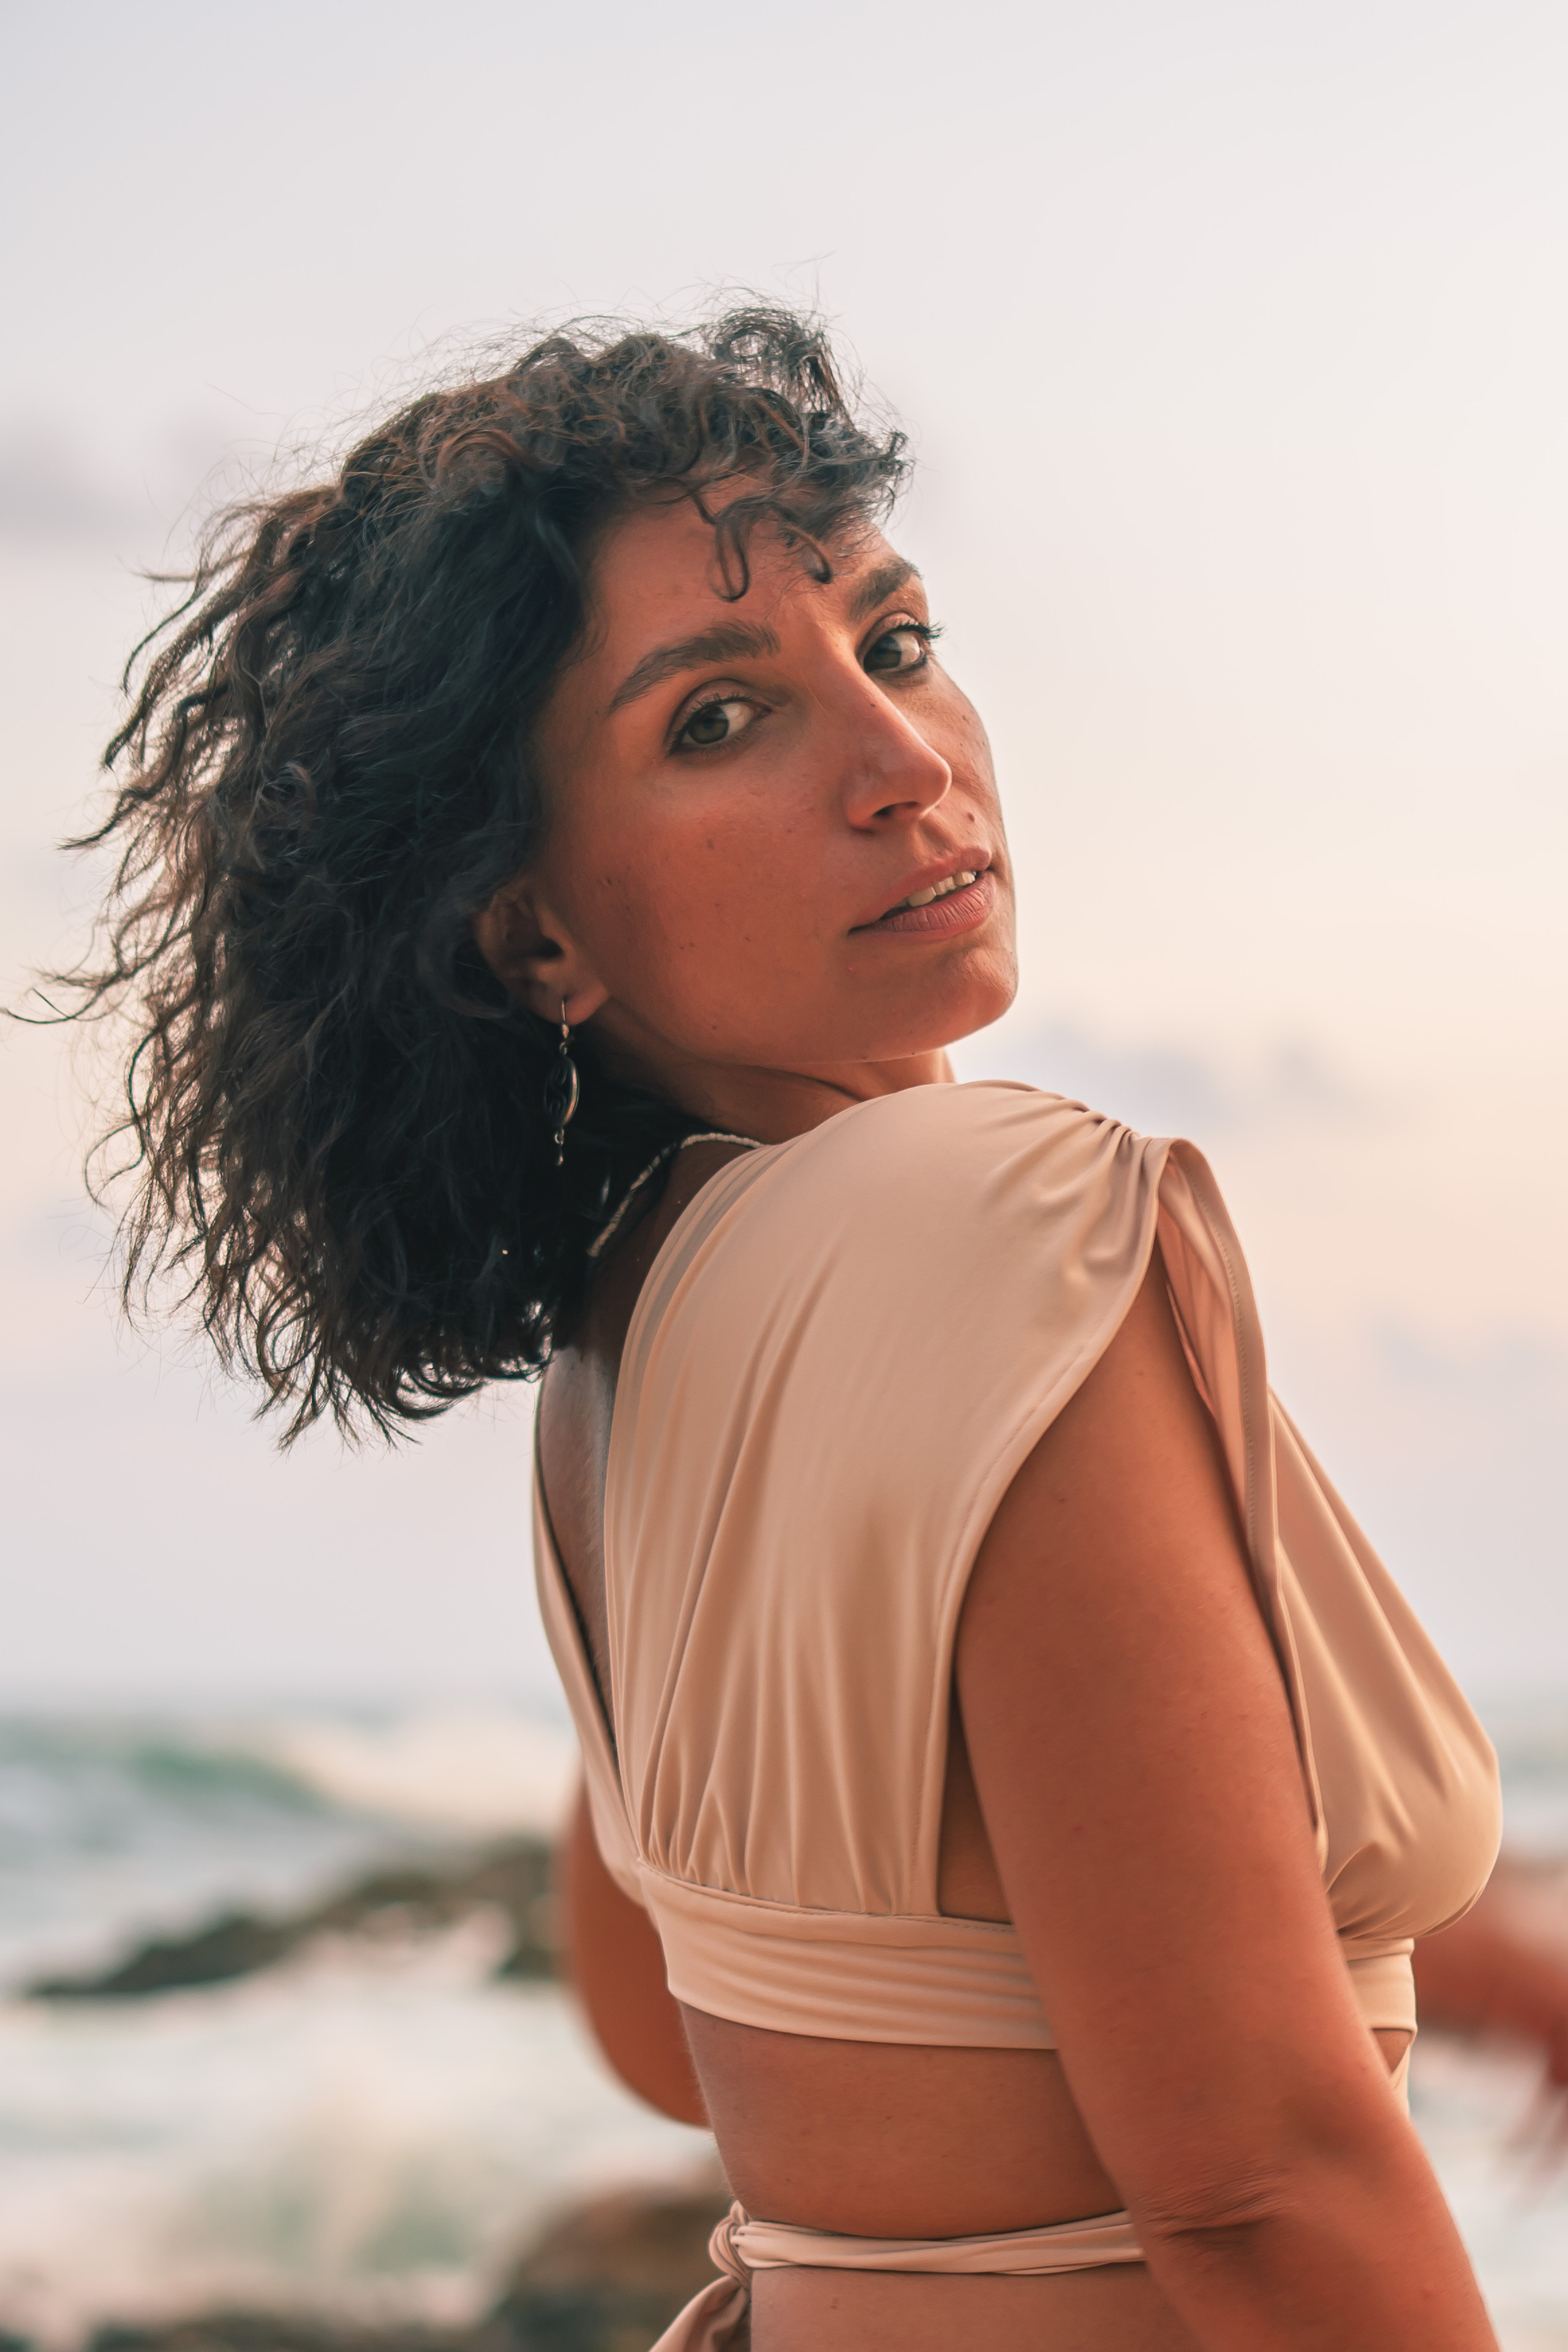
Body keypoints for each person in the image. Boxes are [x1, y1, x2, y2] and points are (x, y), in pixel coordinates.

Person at [71, 308, 1505, 2350]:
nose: (906, 761)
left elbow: (677, 2029)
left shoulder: (628, 1341)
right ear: (534, 928)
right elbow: (1263, 2189)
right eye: (718, 723)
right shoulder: (990, 1239)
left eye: (895, 646)